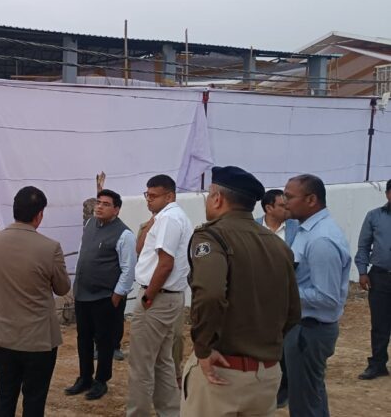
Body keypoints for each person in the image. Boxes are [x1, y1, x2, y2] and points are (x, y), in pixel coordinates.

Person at [182, 166, 300, 417]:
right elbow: (293, 312)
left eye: (209, 195)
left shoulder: (211, 237)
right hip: (266, 374)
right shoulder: (278, 246)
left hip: (222, 372)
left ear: (217, 198)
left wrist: (203, 348)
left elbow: (210, 294)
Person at [0, 186, 71, 417]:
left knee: (5, 396)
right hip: (39, 340)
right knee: (34, 400)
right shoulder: (50, 248)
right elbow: (62, 288)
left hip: (3, 337)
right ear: (39, 215)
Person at [283, 173, 351, 417]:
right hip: (304, 328)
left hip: (310, 330)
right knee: (310, 396)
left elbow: (327, 297)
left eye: (289, 197)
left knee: (305, 404)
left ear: (311, 200)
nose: (284, 202)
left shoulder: (321, 239)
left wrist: (284, 293)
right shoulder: (307, 231)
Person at [127, 175, 193, 417]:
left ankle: (138, 413)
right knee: (162, 361)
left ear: (169, 196)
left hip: (157, 297)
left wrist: (148, 297)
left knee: (141, 365)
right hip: (166, 296)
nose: (148, 200)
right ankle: (170, 412)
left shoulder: (169, 218)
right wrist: (151, 220)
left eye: (154, 196)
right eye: (147, 195)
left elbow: (165, 263)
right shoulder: (165, 218)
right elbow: (140, 249)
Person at [66, 189, 135, 400]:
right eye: (98, 202)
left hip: (105, 298)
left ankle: (101, 380)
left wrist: (117, 295)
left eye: (106, 204)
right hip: (83, 295)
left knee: (104, 341)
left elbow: (128, 269)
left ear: (116, 209)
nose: (99, 207)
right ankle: (84, 377)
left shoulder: (124, 234)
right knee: (83, 338)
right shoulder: (89, 224)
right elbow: (83, 253)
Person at [256, 188, 298, 408]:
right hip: (258, 296)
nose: (287, 208)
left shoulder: (296, 229)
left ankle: (284, 387)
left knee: (285, 342)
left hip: (285, 295)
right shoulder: (253, 227)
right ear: (268, 208)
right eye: (282, 205)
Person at [355, 179, 391, 380]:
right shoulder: (374, 216)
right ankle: (377, 364)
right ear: (387, 194)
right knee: (380, 323)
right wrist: (362, 272)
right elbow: (363, 246)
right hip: (380, 276)